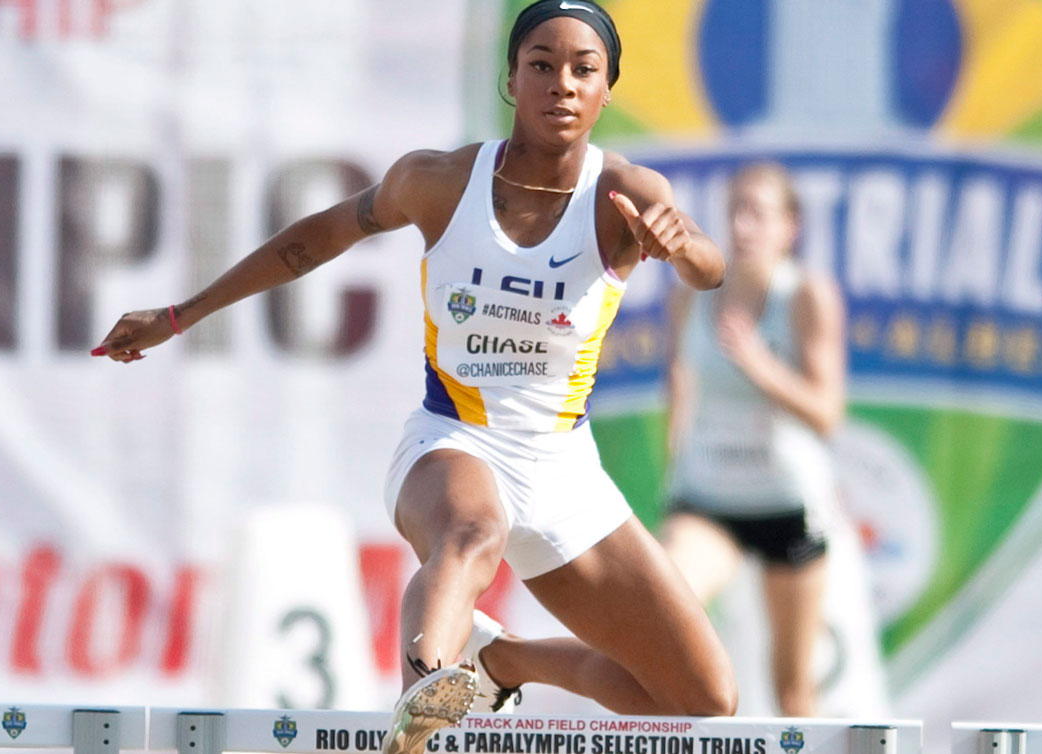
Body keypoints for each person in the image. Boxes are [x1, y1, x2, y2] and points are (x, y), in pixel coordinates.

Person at [91, 1, 735, 752]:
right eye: (541, 65)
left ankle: (500, 660)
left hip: (563, 465)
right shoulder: (437, 181)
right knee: (474, 530)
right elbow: (312, 242)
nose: (561, 84)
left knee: (703, 699)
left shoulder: (628, 196)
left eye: (583, 70)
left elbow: (710, 270)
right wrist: (180, 314)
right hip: (454, 438)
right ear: (509, 79)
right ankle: (421, 710)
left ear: (606, 90)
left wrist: (682, 245)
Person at [659, 163, 846, 717]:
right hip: (709, 500)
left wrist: (759, 366)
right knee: (666, 611)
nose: (743, 226)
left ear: (790, 226)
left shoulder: (807, 296)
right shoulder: (690, 297)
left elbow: (826, 413)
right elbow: (681, 382)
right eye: (735, 210)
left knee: (793, 691)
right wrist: (678, 442)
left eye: (758, 213)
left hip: (787, 504)